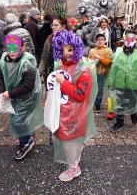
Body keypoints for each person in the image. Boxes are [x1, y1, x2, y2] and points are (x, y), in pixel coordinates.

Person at [50, 30, 97, 182]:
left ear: (76, 48)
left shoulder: (83, 69)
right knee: (67, 140)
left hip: (75, 114)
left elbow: (81, 94)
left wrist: (63, 82)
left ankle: (73, 168)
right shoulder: (61, 65)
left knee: (69, 142)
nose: (66, 53)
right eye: (62, 49)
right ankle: (75, 156)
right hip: (63, 112)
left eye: (70, 49)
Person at [0, 35, 43, 160]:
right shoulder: (4, 61)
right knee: (20, 118)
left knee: (17, 120)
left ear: (22, 48)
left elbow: (27, 85)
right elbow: (0, 77)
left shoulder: (26, 63)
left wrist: (9, 93)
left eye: (15, 48)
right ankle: (26, 137)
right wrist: (1, 93)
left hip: (27, 96)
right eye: (9, 48)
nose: (12, 51)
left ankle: (25, 144)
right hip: (13, 94)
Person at [107, 29, 137, 132]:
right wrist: (110, 83)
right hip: (119, 84)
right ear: (124, 38)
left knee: (132, 102)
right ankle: (119, 122)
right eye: (127, 38)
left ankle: (133, 112)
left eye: (132, 39)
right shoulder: (118, 52)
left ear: (136, 40)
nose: (130, 41)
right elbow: (113, 69)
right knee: (119, 104)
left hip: (133, 85)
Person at [38, 16, 72, 88]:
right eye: (52, 25)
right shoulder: (49, 39)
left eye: (56, 25)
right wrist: (38, 73)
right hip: (50, 73)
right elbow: (44, 57)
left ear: (63, 26)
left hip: (65, 75)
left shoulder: (71, 40)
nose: (53, 27)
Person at [88, 33, 112, 113]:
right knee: (92, 88)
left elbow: (108, 62)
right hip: (93, 73)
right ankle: (92, 102)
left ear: (105, 41)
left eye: (102, 39)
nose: (100, 41)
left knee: (99, 89)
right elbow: (89, 61)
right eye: (98, 40)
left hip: (102, 73)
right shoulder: (92, 50)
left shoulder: (107, 50)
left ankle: (98, 103)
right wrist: (93, 61)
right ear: (95, 41)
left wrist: (100, 58)